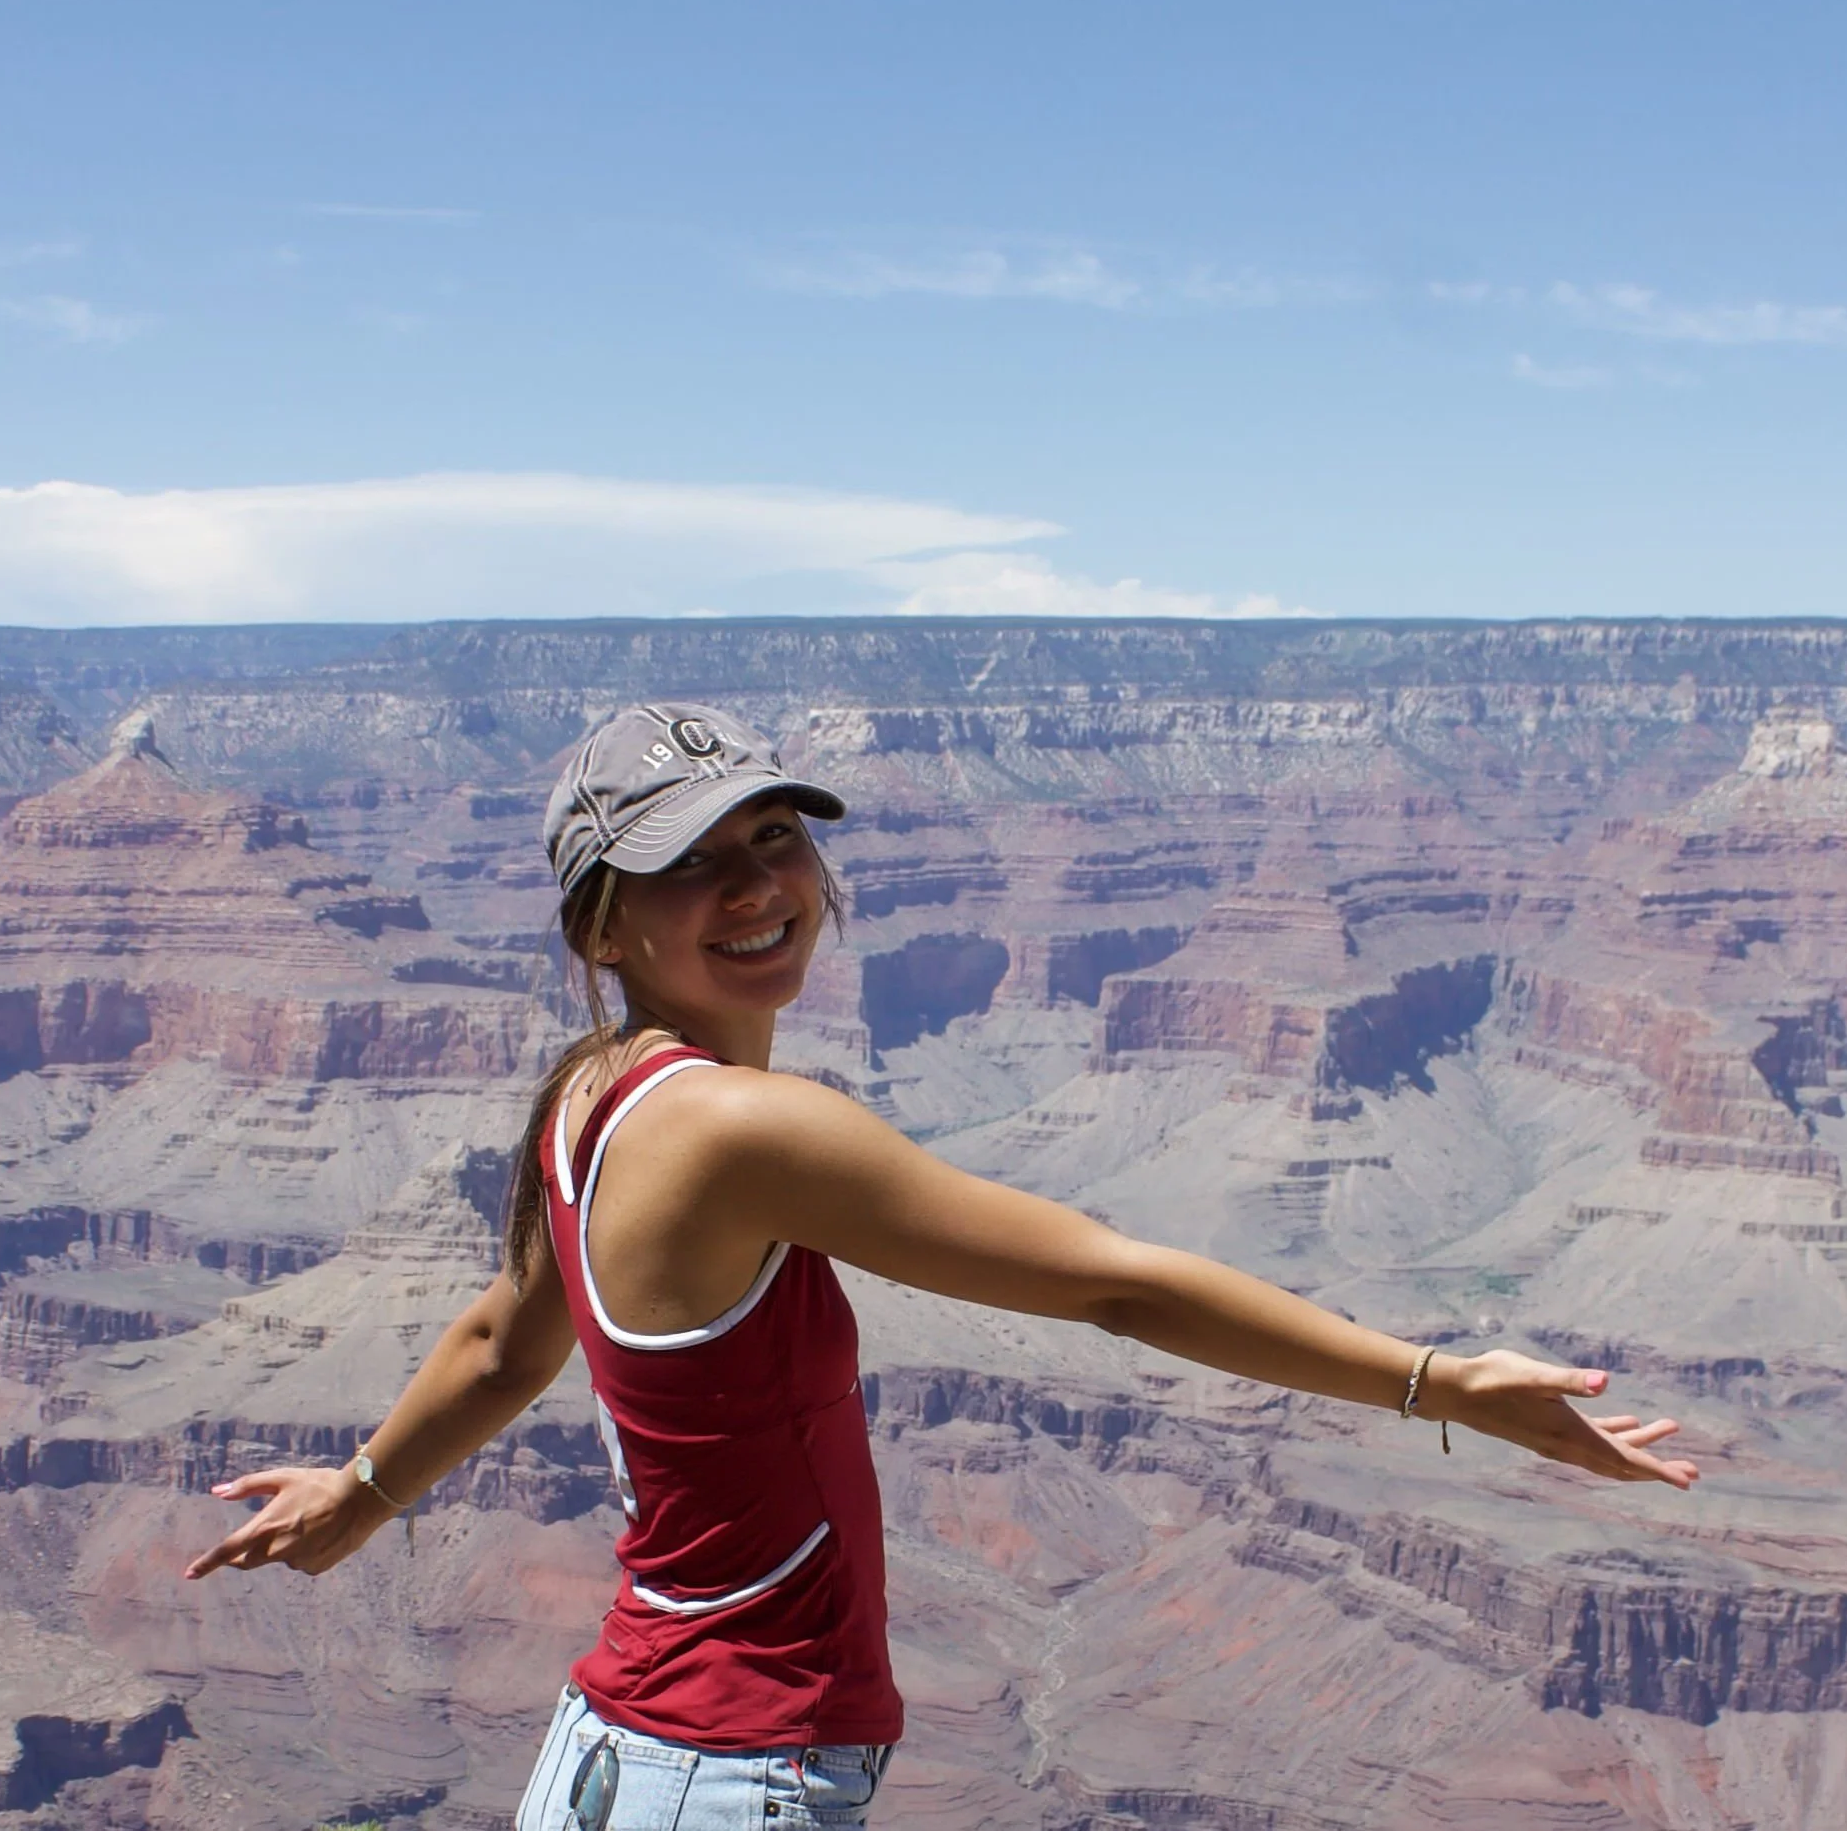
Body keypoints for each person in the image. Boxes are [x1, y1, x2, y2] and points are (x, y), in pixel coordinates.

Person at [186, 704, 1697, 1831]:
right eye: (692, 864)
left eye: (774, 834)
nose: (758, 882)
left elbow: (503, 1344)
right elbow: (1113, 1282)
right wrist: (1443, 1384)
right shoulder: (735, 1127)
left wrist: (365, 1489)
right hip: (731, 1773)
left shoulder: (592, 1092)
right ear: (605, 919)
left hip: (615, 1752)